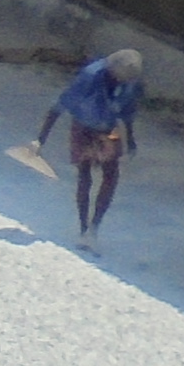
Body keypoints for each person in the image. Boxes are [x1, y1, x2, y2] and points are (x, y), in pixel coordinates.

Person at [39, 47, 149, 248]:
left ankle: (94, 227)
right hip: (83, 127)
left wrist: (130, 140)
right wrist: (40, 139)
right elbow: (60, 105)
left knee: (111, 175)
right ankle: (83, 229)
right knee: (85, 173)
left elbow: (126, 113)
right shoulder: (89, 77)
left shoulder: (131, 83)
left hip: (110, 130)